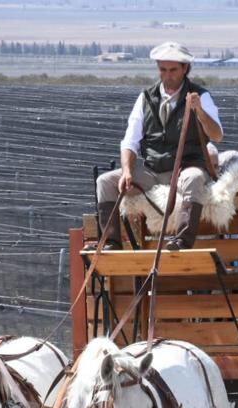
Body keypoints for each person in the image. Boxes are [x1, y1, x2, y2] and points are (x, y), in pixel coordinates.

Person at [88, 42, 223, 251]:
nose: (167, 75)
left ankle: (181, 241)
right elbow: (130, 141)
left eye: (173, 70)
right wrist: (126, 171)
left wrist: (200, 112)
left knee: (194, 179)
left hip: (185, 167)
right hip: (152, 170)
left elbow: (217, 135)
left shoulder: (201, 96)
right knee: (105, 181)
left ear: (185, 68)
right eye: (163, 69)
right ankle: (111, 243)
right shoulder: (145, 98)